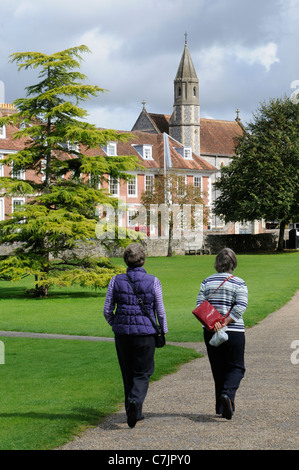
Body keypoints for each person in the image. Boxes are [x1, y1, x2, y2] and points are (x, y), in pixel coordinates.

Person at [103, 243, 168, 428]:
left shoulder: (115, 281)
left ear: (126, 261)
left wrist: (116, 323)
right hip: (145, 334)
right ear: (144, 260)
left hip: (122, 335)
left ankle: (134, 412)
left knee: (128, 373)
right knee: (144, 372)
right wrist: (162, 330)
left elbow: (107, 310)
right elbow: (160, 311)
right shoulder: (153, 280)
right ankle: (135, 402)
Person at [196, 248, 248, 420]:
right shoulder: (239, 282)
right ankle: (227, 395)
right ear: (234, 264)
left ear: (217, 263)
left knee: (218, 369)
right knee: (237, 367)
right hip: (234, 331)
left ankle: (222, 406)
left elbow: (200, 305)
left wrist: (214, 323)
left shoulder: (206, 281)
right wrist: (225, 321)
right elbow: (240, 306)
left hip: (211, 330)